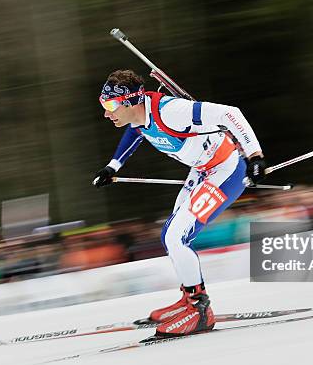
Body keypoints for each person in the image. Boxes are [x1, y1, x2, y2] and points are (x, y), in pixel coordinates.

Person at [93, 69, 266, 336]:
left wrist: (255, 156)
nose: (107, 112)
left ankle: (200, 310)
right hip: (201, 170)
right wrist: (112, 166)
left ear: (131, 101)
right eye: (104, 104)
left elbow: (230, 113)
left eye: (111, 105)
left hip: (225, 170)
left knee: (176, 236)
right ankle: (189, 297)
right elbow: (137, 132)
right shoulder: (139, 115)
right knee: (171, 236)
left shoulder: (172, 111)